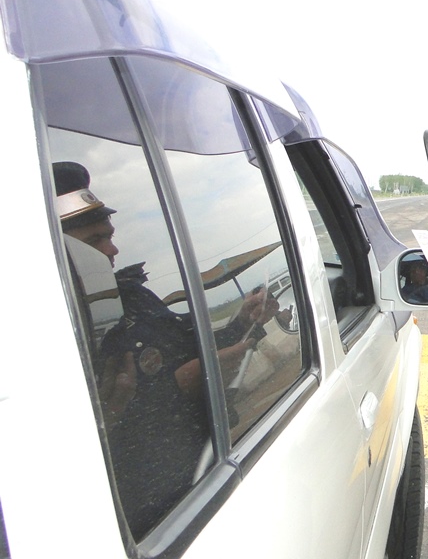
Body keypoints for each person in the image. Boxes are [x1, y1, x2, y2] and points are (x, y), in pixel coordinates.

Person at [54, 161, 277, 535]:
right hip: (144, 513)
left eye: (108, 235)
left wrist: (242, 322)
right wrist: (180, 383)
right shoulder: (50, 335)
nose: (113, 248)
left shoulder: (131, 297)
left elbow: (187, 347)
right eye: (94, 241)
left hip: (201, 467)